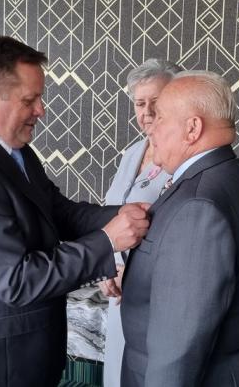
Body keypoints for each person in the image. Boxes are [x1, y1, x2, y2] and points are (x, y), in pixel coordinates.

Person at [0, 36, 150, 387]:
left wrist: (129, 214)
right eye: (30, 100)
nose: (41, 110)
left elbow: (59, 213)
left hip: (23, 351)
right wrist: (107, 241)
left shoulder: (15, 150)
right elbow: (16, 280)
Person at [119, 71, 239, 387]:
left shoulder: (198, 205)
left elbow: (178, 349)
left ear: (192, 128)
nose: (151, 127)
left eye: (160, 117)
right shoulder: (229, 173)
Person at [98, 58, 180, 387]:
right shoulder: (131, 154)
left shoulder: (183, 159)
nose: (146, 112)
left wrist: (131, 274)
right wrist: (105, 267)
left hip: (156, 300)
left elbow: (178, 236)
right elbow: (111, 216)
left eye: (155, 102)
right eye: (139, 103)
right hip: (119, 297)